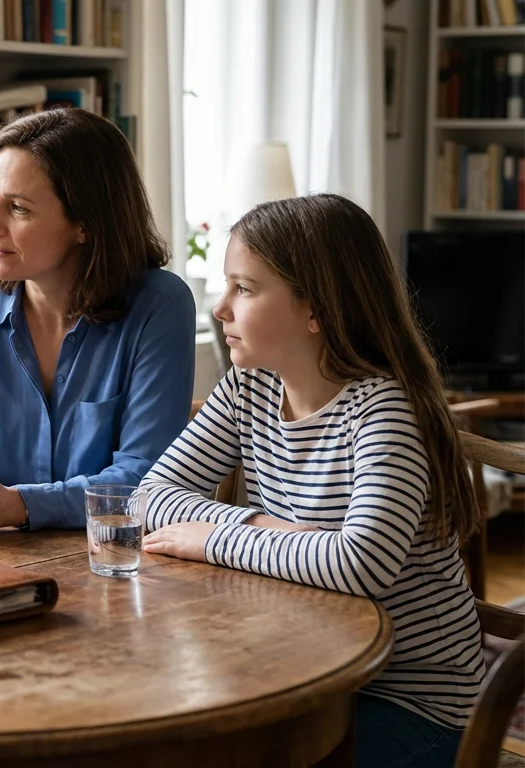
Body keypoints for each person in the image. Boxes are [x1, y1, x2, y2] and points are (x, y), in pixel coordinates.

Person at [140, 193, 483, 768]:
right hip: (309, 671)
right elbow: (150, 497)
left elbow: (362, 565)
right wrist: (261, 524)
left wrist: (211, 536)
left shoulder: (381, 411)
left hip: (413, 702)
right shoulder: (248, 389)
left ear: (316, 310)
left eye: (244, 289)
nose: (221, 308)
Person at [0, 108, 195, 536]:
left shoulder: (160, 305)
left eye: (18, 208)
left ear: (85, 223)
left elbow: (145, 480)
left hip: (107, 566)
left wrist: (16, 505)